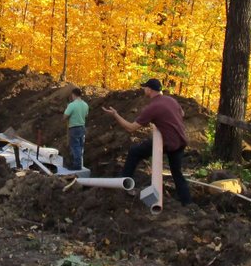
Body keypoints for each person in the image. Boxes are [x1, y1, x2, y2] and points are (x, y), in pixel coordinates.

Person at [102, 78, 193, 206]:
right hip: (180, 140)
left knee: (135, 152)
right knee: (177, 173)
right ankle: (187, 203)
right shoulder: (171, 100)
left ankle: (124, 181)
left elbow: (131, 128)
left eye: (145, 87)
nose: (144, 89)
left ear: (149, 90)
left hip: (167, 142)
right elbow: (181, 113)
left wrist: (115, 115)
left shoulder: (153, 107)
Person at [63, 87, 89, 171]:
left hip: (74, 128)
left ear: (73, 95)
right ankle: (78, 163)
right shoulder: (85, 105)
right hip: (82, 127)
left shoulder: (72, 105)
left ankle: (76, 165)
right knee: (80, 146)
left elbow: (65, 116)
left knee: (75, 146)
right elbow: (86, 115)